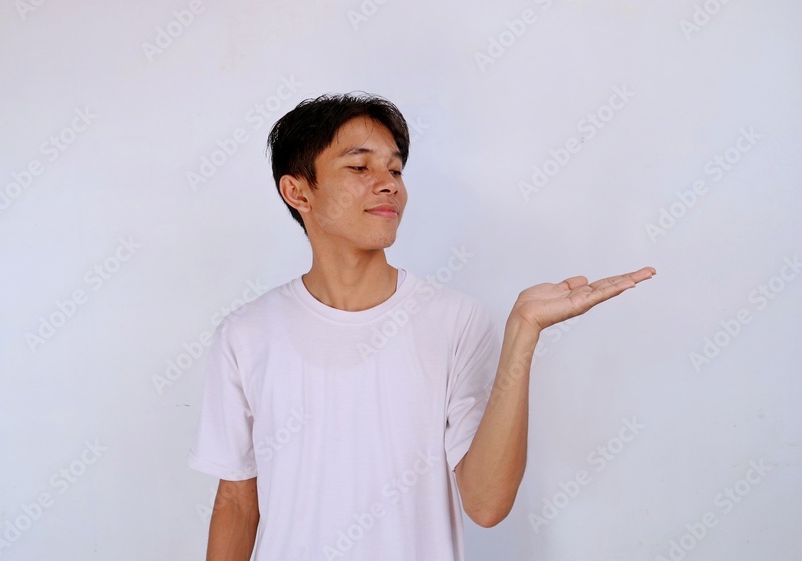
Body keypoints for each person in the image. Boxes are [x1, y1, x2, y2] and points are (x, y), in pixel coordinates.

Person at [187, 92, 655, 560]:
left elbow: (486, 505)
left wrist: (523, 333)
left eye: (395, 170)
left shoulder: (455, 320)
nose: (388, 185)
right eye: (360, 167)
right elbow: (237, 501)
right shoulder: (247, 333)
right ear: (298, 192)